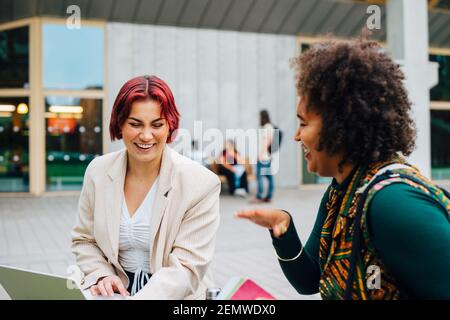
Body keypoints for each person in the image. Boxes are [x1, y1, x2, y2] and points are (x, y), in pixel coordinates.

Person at [236, 37, 450, 299]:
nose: (296, 136)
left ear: (341, 127)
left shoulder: (392, 201)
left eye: (303, 124)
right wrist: (283, 228)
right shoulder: (341, 190)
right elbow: (310, 280)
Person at [71, 75, 221, 299]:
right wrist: (101, 275)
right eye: (135, 124)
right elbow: (85, 240)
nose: (146, 135)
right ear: (119, 123)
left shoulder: (200, 184)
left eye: (157, 124)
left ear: (170, 125)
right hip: (116, 294)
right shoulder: (97, 172)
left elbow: (187, 268)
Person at [251, 110, 275, 203]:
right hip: (267, 156)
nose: (258, 119)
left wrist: (259, 155)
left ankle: (260, 196)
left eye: (259, 116)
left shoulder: (266, 127)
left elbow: (267, 141)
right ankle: (269, 196)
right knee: (269, 177)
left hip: (263, 157)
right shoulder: (270, 127)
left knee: (260, 176)